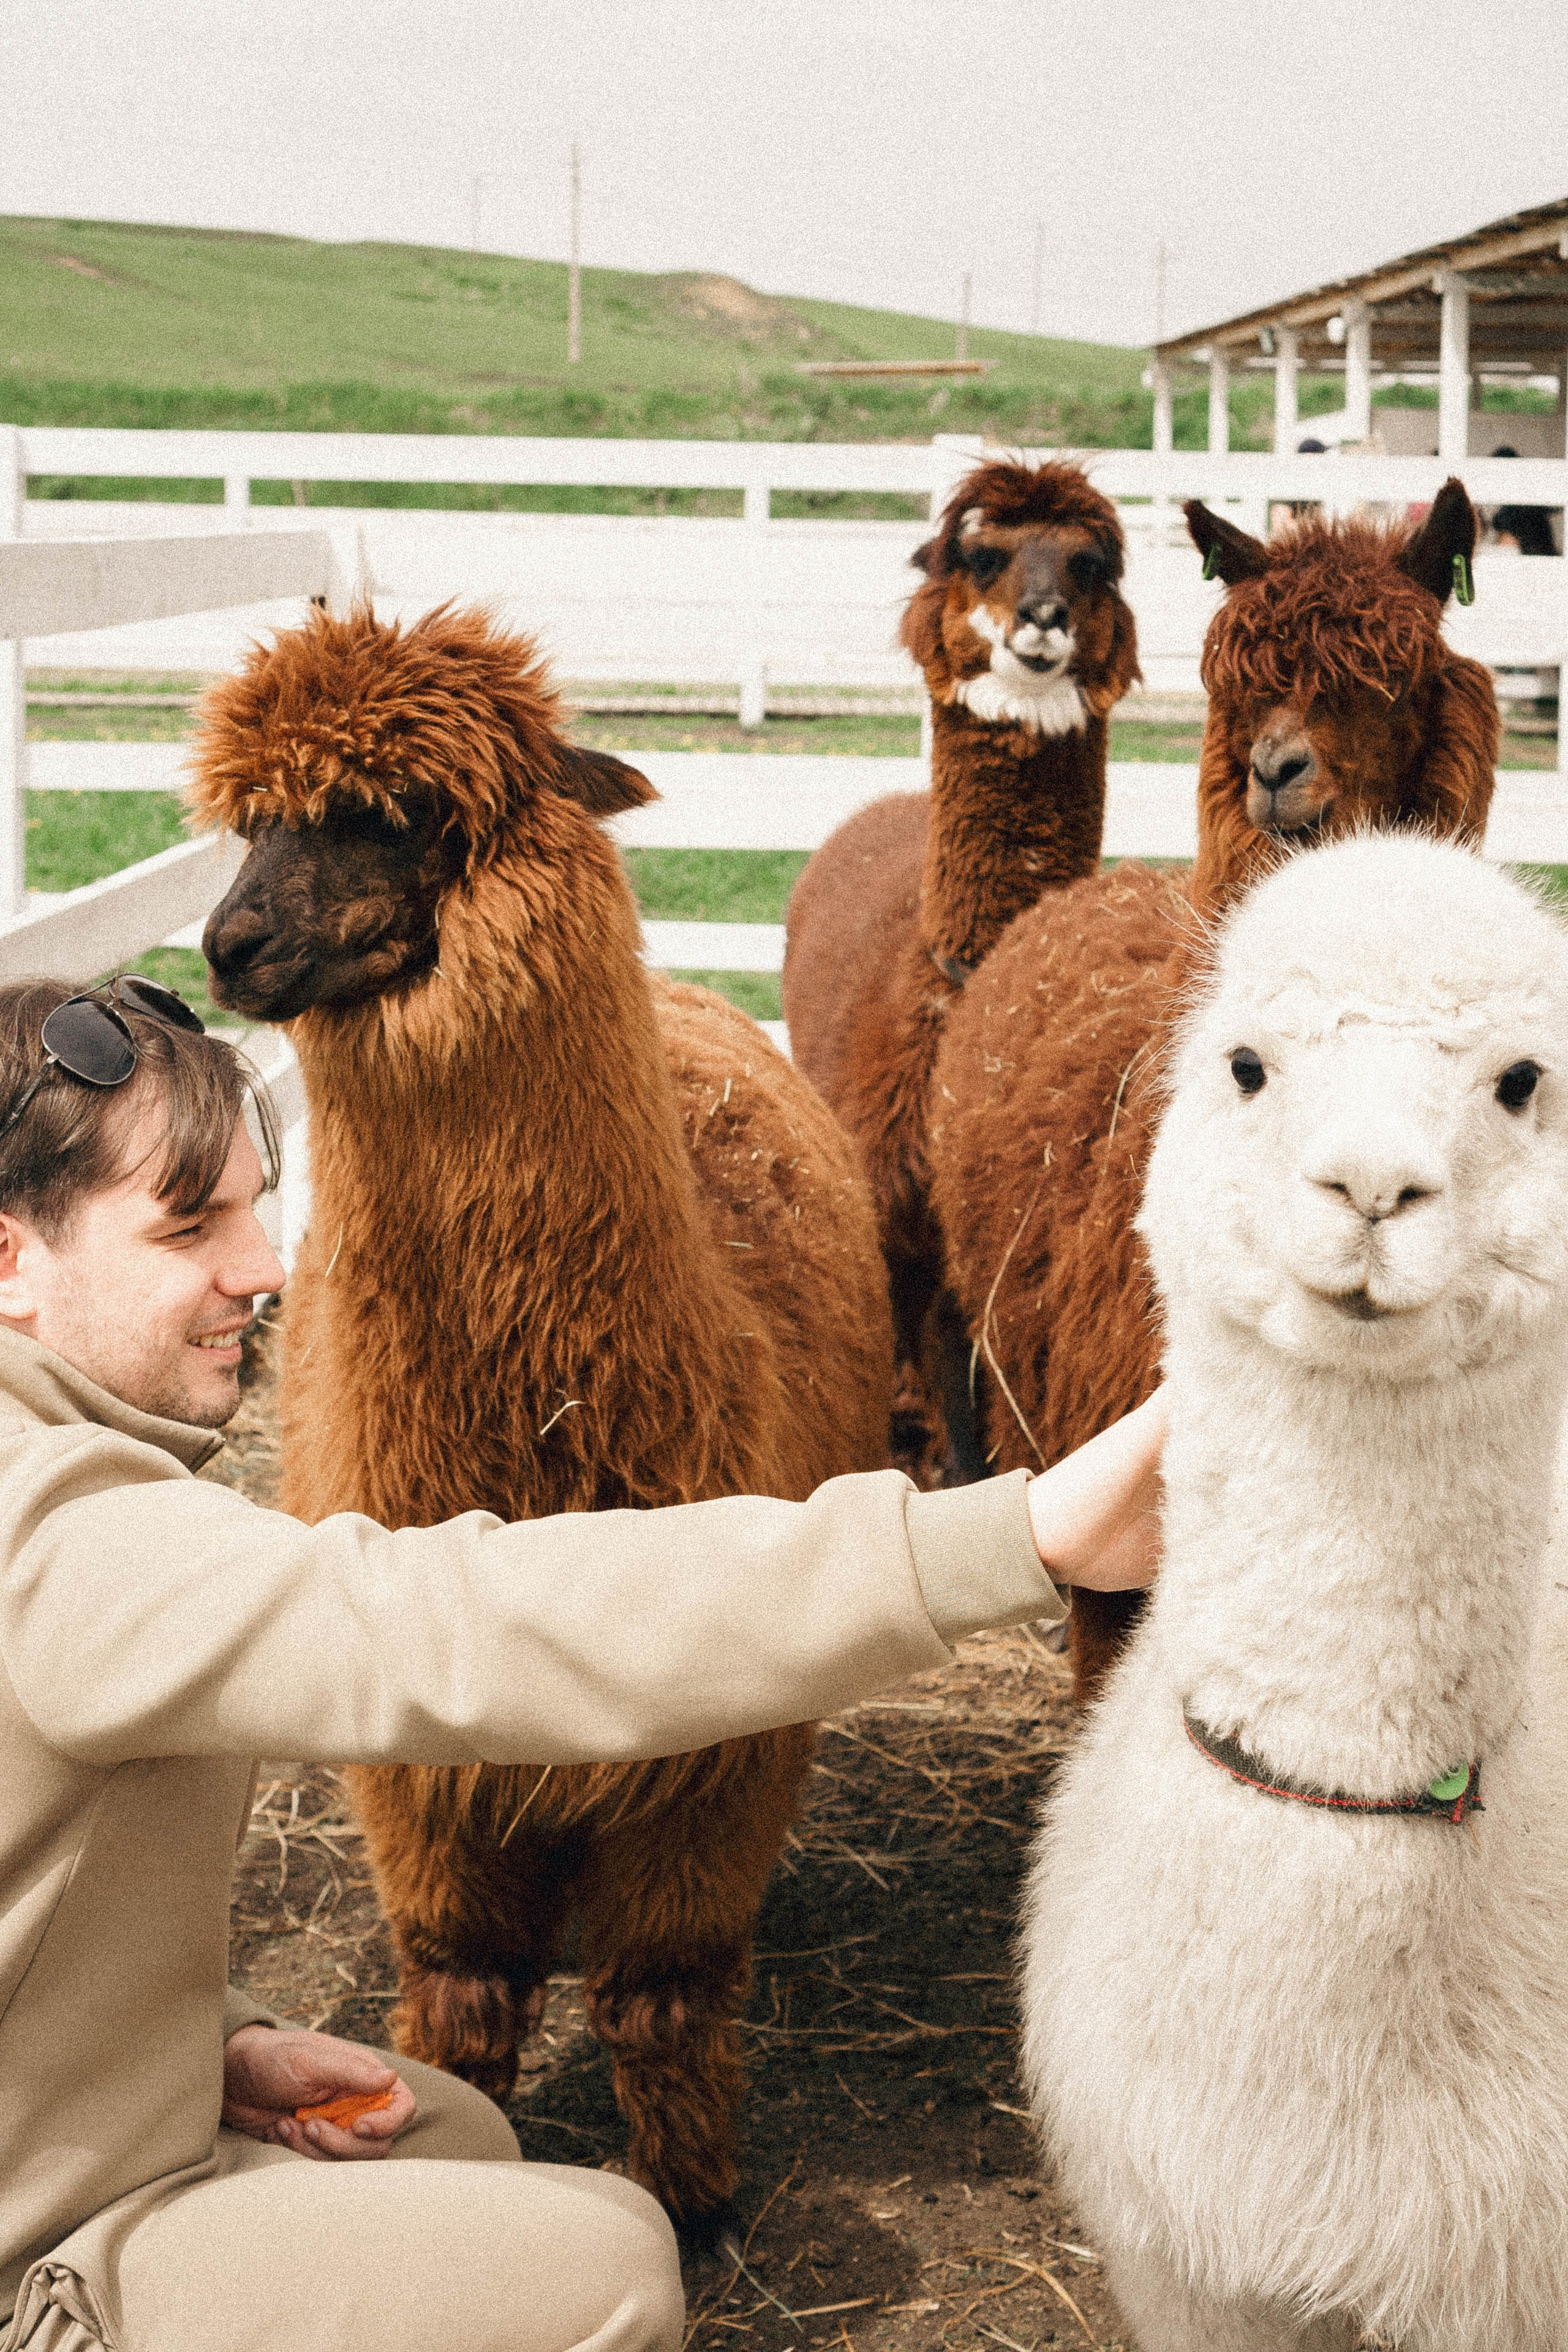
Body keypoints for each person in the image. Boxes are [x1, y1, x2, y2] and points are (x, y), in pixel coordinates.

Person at [0, 976, 1166, 2352]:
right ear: (10, 1261)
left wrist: (214, 2044)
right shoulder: (62, 1543)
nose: (265, 1269)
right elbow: (464, 1623)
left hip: (56, 2142)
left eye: (258, 1210)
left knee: (450, 2136)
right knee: (606, 2259)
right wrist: (1017, 1535)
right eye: (190, 1227)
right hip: (36, 2258)